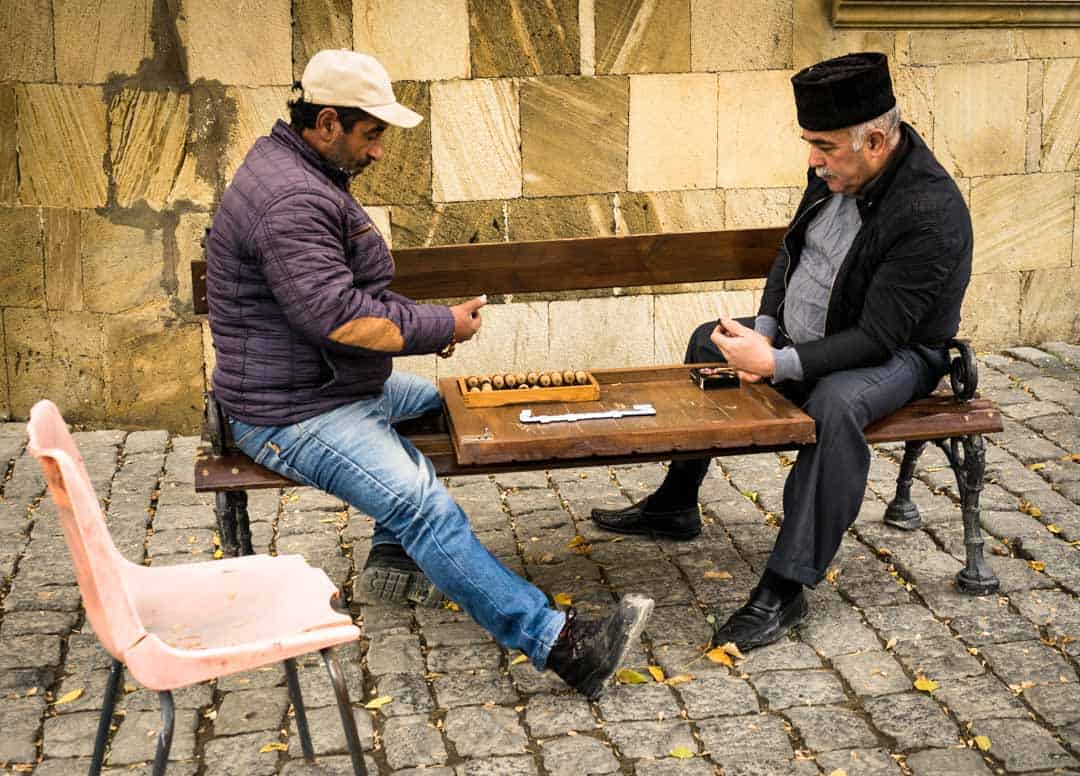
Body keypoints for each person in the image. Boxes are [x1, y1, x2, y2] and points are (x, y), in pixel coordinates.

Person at [204, 49, 652, 698]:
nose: (379, 152)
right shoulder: (293, 200)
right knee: (426, 509)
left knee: (449, 406)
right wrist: (444, 326)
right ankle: (562, 646)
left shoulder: (295, 170)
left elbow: (343, 300)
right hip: (294, 411)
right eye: (373, 133)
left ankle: (391, 555)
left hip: (328, 384)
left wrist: (434, 319)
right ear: (326, 123)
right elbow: (339, 320)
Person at [592, 52, 971, 651]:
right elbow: (790, 256)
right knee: (706, 342)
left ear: (875, 140)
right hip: (809, 338)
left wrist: (775, 365)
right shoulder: (835, 173)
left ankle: (784, 589)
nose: (812, 160)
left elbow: (878, 336)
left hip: (896, 355)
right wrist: (766, 327)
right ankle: (675, 503)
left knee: (836, 404)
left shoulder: (928, 212)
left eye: (822, 145)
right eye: (809, 144)